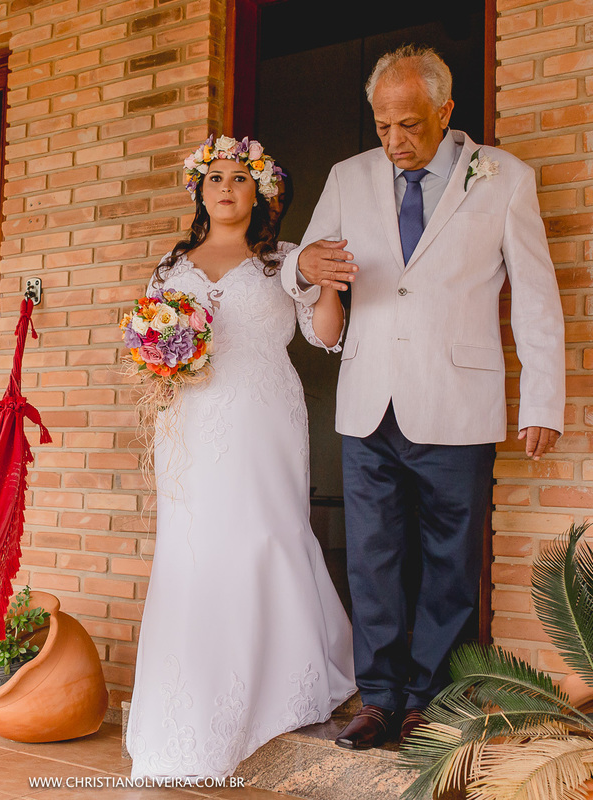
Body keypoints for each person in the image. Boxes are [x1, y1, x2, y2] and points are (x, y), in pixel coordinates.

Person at [281, 45, 566, 749]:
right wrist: (299, 267)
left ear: (445, 111)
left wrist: (542, 399)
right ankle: (377, 699)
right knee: (371, 558)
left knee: (448, 564)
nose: (394, 142)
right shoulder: (349, 176)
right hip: (368, 401)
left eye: (408, 124)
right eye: (381, 126)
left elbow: (535, 295)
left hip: (457, 401)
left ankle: (431, 702)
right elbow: (304, 265)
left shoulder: (504, 178)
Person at [126, 135, 355, 781]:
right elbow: (149, 336)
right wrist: (157, 359)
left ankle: (281, 681)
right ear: (199, 190)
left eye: (240, 178)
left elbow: (325, 335)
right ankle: (191, 700)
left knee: (262, 534)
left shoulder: (281, 260)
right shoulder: (172, 266)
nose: (226, 187)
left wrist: (327, 283)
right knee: (194, 545)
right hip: (188, 420)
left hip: (263, 416)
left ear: (262, 193)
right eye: (215, 177)